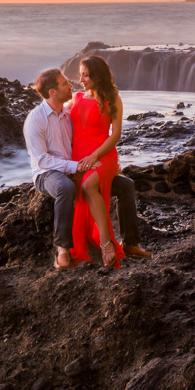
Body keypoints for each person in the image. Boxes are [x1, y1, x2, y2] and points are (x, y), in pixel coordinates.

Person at [23, 66, 151, 269]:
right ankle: (62, 250)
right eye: (65, 84)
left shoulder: (68, 113)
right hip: (48, 174)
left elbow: (90, 135)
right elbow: (42, 161)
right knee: (66, 188)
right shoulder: (35, 120)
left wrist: (104, 167)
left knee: (126, 185)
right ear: (52, 92)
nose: (71, 85)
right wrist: (77, 166)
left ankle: (131, 243)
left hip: (77, 169)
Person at [70, 56, 123, 268]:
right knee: (82, 186)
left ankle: (106, 242)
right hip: (78, 158)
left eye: (86, 75)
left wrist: (94, 156)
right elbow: (57, 114)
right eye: (80, 74)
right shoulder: (76, 97)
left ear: (97, 75)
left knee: (88, 185)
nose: (81, 79)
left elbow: (116, 135)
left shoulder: (114, 99)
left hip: (103, 155)